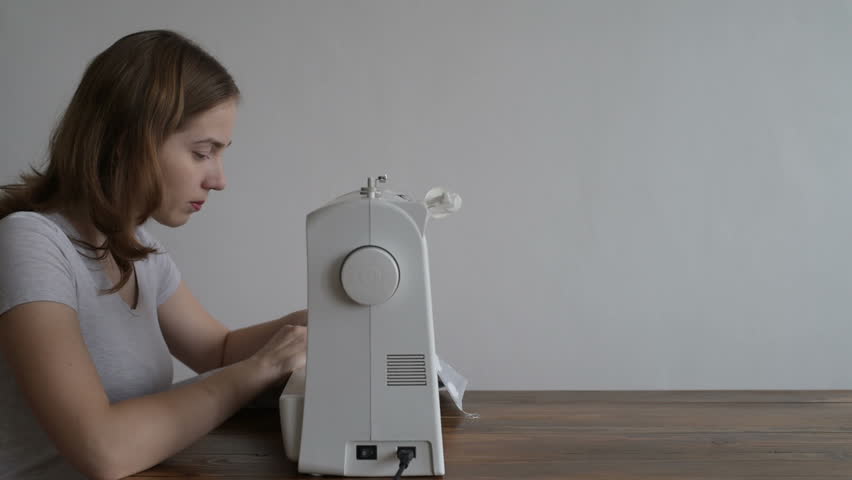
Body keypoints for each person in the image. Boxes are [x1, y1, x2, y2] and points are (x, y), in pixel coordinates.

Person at [0, 30, 307, 480]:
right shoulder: (30, 243)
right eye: (203, 153)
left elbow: (218, 351)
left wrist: (327, 321)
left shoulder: (136, 249)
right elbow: (102, 449)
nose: (218, 179)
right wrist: (261, 369)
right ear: (126, 142)